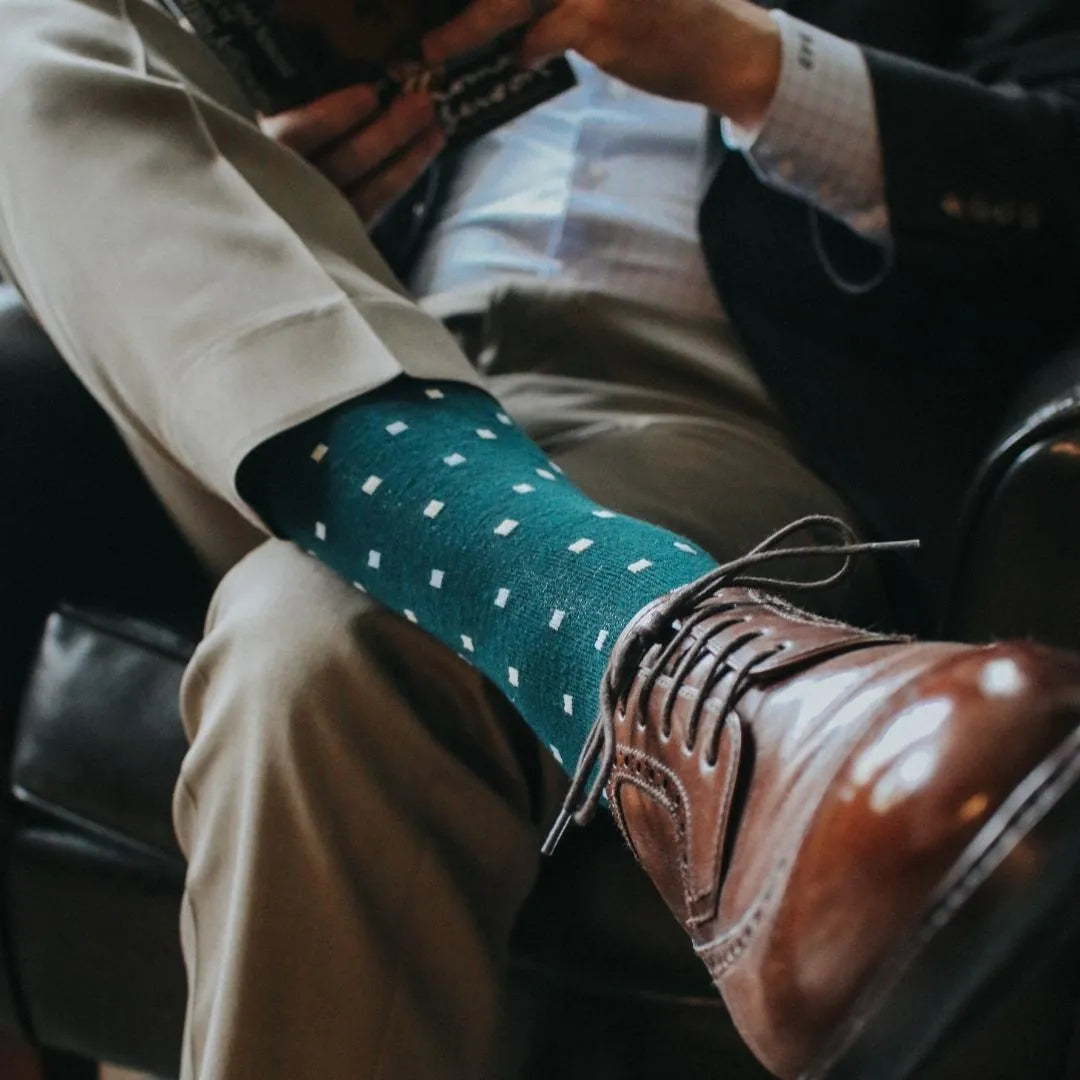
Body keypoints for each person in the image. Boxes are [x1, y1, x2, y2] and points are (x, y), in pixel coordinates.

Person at [0, 0, 1079, 1077]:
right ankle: (653, 638)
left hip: (702, 410)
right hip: (308, 361)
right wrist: (245, 192)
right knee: (28, 32)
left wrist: (748, 62)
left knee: (316, 642)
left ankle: (537, 570)